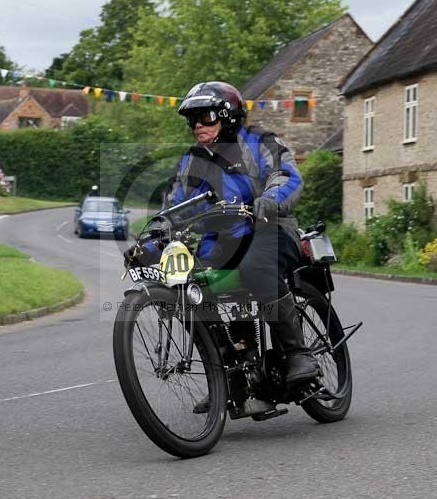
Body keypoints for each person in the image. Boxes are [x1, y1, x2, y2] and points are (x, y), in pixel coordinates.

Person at [127, 81, 319, 405]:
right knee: (187, 287)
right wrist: (149, 243)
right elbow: (172, 207)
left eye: (204, 117)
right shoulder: (191, 162)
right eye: (192, 121)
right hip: (222, 242)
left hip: (268, 229)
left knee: (256, 267)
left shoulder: (260, 142)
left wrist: (270, 200)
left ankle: (299, 353)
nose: (197, 125)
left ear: (227, 116)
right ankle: (228, 373)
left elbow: (286, 175)